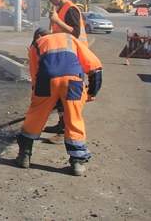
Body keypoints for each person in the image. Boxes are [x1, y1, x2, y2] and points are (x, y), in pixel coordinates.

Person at [16, 28, 103, 176]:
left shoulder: (36, 45)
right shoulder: (69, 38)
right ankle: (77, 163)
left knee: (35, 116)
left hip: (46, 81)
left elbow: (35, 76)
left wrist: (44, 101)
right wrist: (91, 92)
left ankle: (24, 155)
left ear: (38, 36)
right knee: (74, 119)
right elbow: (95, 67)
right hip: (73, 81)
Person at [45, 0, 89, 139]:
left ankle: (69, 129)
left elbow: (75, 33)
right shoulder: (60, 9)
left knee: (69, 95)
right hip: (64, 57)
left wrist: (57, 21)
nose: (50, 0)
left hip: (75, 57)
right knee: (60, 93)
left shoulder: (71, 9)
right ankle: (62, 123)